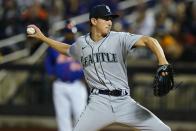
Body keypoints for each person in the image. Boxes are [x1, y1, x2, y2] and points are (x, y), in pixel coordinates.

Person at [27, 4, 171, 131]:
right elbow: (67, 49)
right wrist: (43, 38)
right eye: (105, 18)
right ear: (94, 21)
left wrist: (163, 61)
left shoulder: (119, 38)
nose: (109, 22)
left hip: (124, 102)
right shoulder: (81, 44)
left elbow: (149, 40)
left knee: (163, 130)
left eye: (110, 18)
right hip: (98, 103)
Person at [44, 21, 88, 131]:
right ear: (64, 33)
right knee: (62, 117)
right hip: (60, 84)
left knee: (80, 116)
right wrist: (51, 73)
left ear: (75, 33)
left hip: (77, 85)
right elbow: (48, 61)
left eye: (72, 33)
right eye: (68, 32)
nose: (70, 35)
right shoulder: (56, 47)